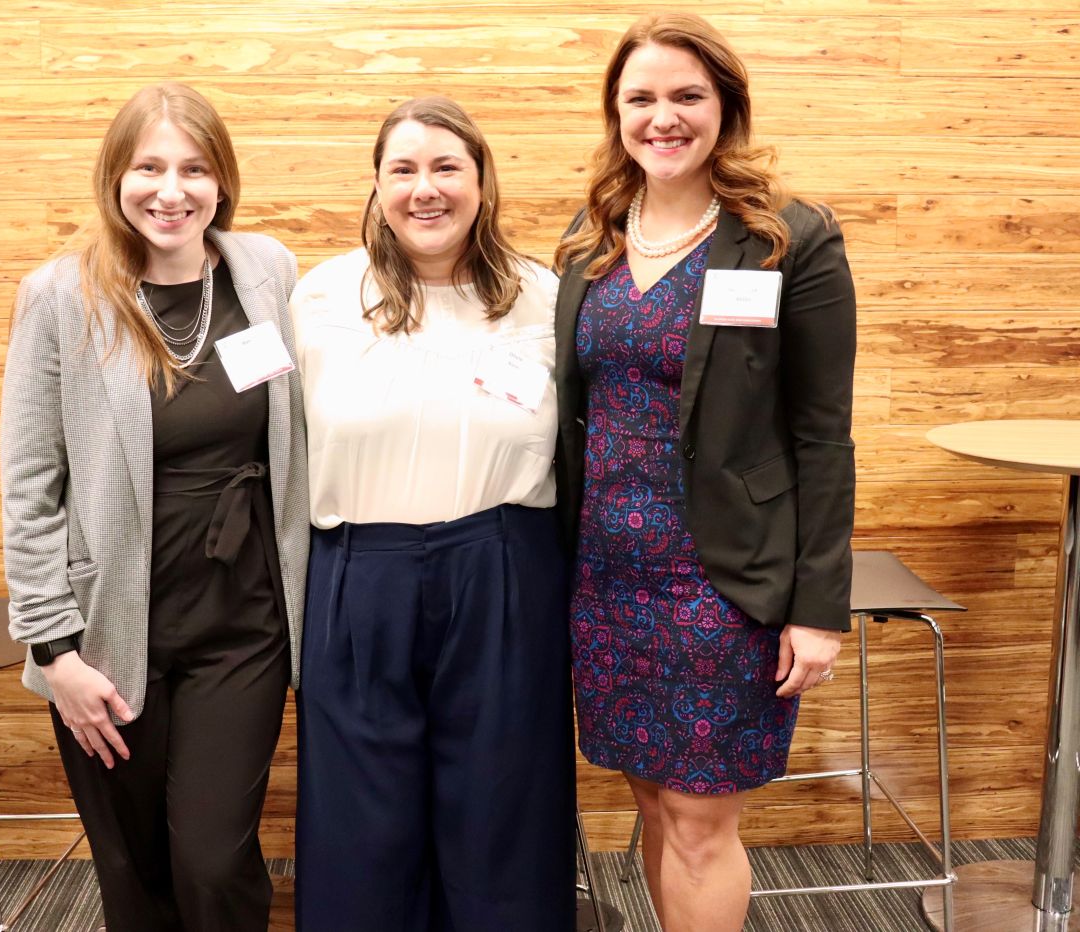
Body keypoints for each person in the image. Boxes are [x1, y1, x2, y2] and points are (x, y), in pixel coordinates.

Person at [554, 13, 856, 932]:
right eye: (640, 98)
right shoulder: (593, 237)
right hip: (606, 579)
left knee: (698, 821)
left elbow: (823, 436)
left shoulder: (787, 237)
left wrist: (818, 608)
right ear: (616, 112)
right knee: (651, 801)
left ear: (726, 106)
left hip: (720, 582)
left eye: (687, 96)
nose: (663, 118)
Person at [0, 82, 308, 932]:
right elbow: (29, 484)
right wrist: (55, 653)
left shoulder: (266, 272)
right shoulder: (61, 295)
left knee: (213, 860)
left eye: (194, 169)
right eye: (149, 168)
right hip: (108, 635)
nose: (171, 191)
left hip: (242, 624)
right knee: (136, 871)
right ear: (115, 176)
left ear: (223, 181)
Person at [290, 96, 575, 932]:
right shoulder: (320, 296)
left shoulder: (543, 296)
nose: (426, 189)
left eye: (447, 167)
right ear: (377, 186)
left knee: (502, 812)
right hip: (358, 575)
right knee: (362, 825)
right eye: (403, 169)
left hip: (503, 571)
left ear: (481, 181)